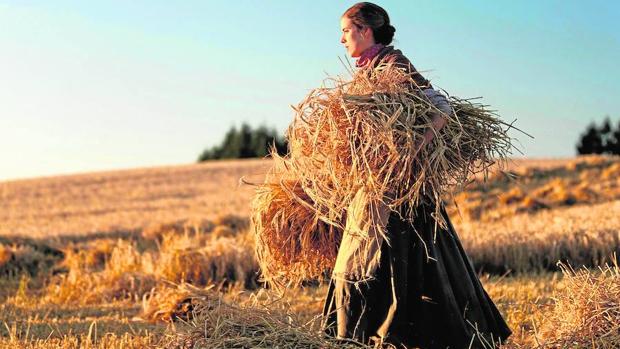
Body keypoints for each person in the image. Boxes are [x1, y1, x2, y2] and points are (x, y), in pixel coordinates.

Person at [321, 3, 512, 348]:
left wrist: (411, 153)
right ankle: (364, 336)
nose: (341, 39)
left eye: (346, 31)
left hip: (401, 193)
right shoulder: (368, 70)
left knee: (400, 259)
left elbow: (441, 106)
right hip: (375, 186)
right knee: (360, 259)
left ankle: (394, 336)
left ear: (366, 31)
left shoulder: (393, 64)